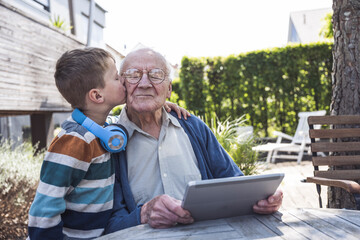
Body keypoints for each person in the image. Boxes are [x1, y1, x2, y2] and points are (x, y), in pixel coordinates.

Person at [105, 48, 283, 233]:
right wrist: (143, 214)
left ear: (169, 89)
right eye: (133, 75)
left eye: (156, 75)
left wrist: (263, 198)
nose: (144, 83)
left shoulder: (193, 127)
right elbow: (104, 225)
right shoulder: (109, 141)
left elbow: (233, 181)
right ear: (122, 85)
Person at [27, 47, 187, 240]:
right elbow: (44, 210)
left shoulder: (104, 129)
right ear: (97, 96)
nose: (124, 81)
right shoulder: (73, 142)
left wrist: (161, 105)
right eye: (116, 78)